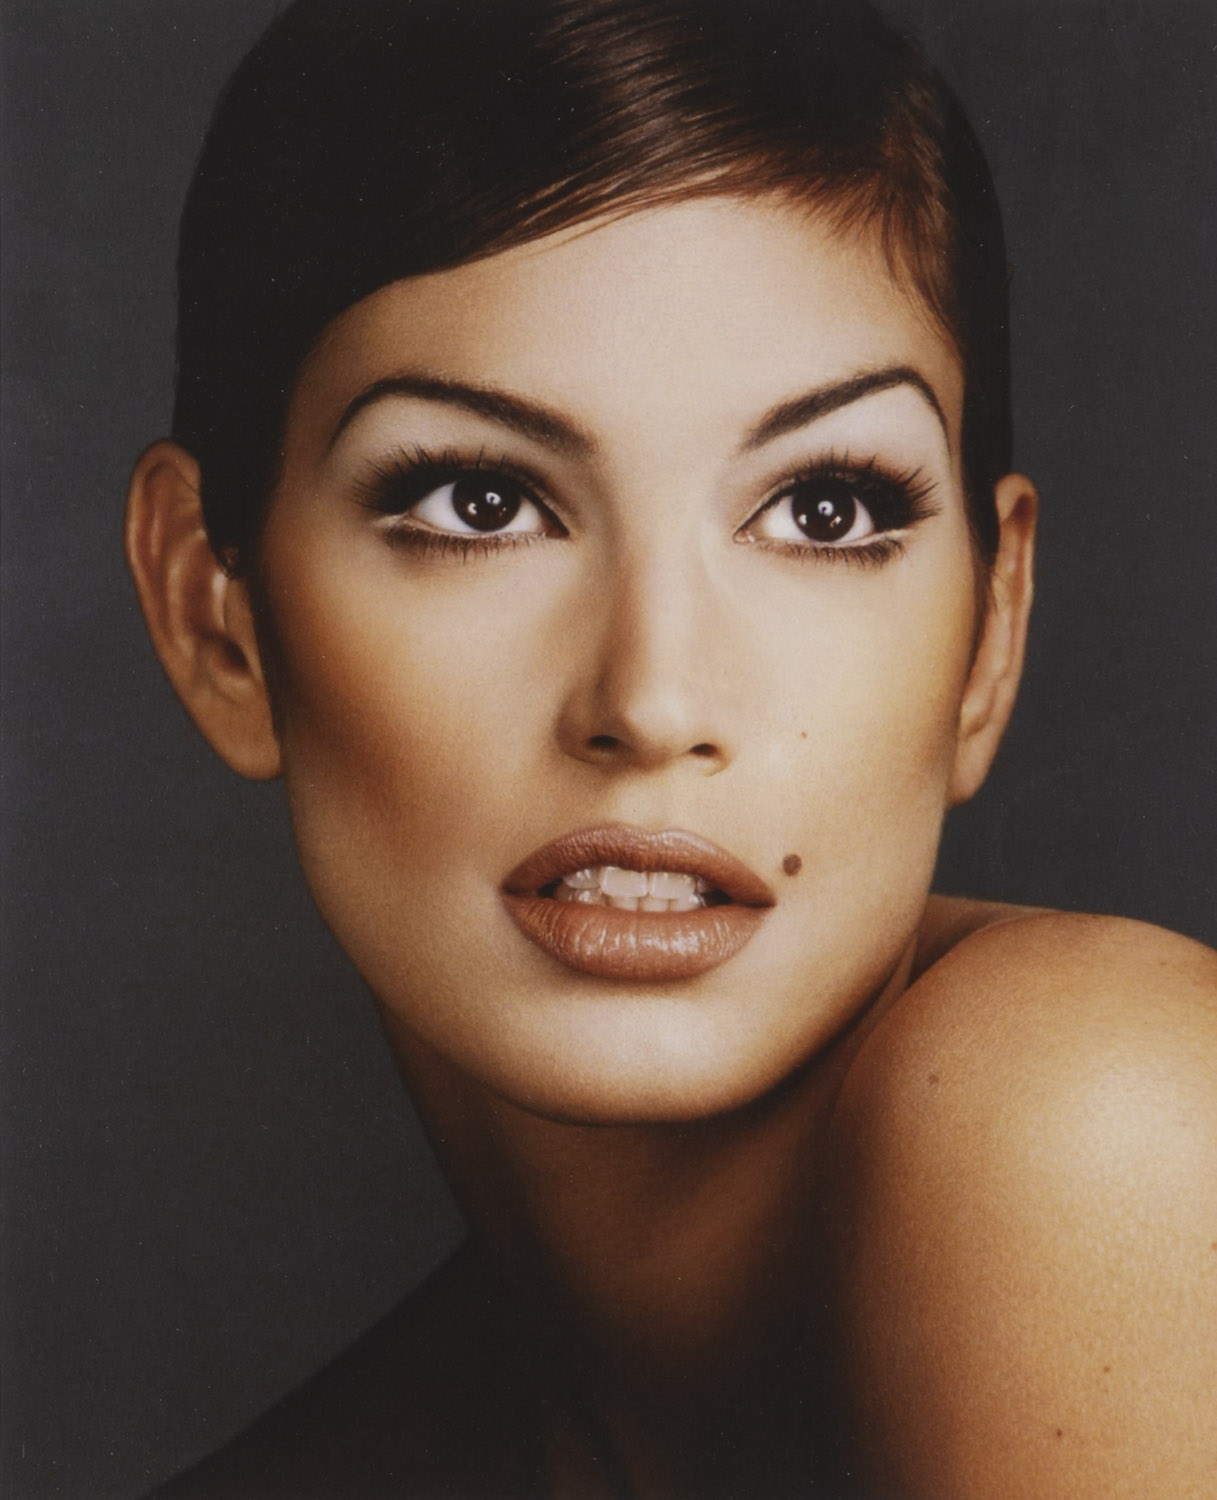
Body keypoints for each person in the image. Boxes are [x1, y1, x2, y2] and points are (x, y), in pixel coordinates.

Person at [124, 0, 1217, 1494]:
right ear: (216, 614)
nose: (650, 700)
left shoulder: (1095, 1116)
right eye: (481, 504)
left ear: (990, 633)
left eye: (824, 509)